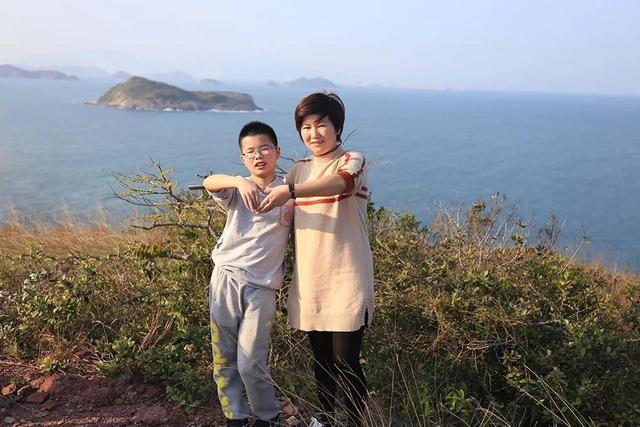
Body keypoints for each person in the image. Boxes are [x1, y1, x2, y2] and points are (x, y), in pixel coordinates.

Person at [258, 93, 373, 426]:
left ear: (337, 126)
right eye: (305, 127)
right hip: (311, 280)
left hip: (348, 278)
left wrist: (291, 191)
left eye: (321, 124)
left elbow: (342, 183)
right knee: (321, 360)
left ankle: (354, 422)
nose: (313, 133)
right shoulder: (298, 170)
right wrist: (239, 185)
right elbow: (272, 203)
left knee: (346, 360)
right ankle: (324, 419)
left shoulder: (352, 159)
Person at [203, 121, 293, 427]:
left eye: (264, 149)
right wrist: (239, 182)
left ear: (277, 152)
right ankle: (235, 416)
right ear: (243, 158)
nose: (258, 156)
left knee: (251, 360)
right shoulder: (237, 190)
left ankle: (268, 416)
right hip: (226, 278)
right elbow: (210, 182)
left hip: (263, 287)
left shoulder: (289, 193)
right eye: (250, 151)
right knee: (224, 355)